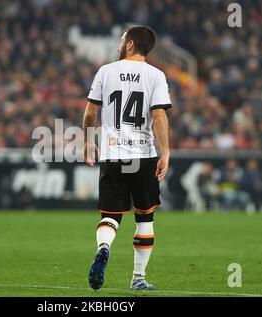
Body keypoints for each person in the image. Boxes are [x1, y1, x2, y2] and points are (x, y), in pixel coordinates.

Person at [82, 26, 171, 291]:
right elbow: (158, 116)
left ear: (130, 44)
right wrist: (165, 151)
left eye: (122, 40)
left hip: (112, 155)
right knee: (144, 217)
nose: (119, 44)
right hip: (143, 155)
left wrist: (88, 142)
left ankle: (104, 247)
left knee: (110, 215)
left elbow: (89, 115)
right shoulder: (156, 75)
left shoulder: (105, 72)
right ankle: (138, 278)